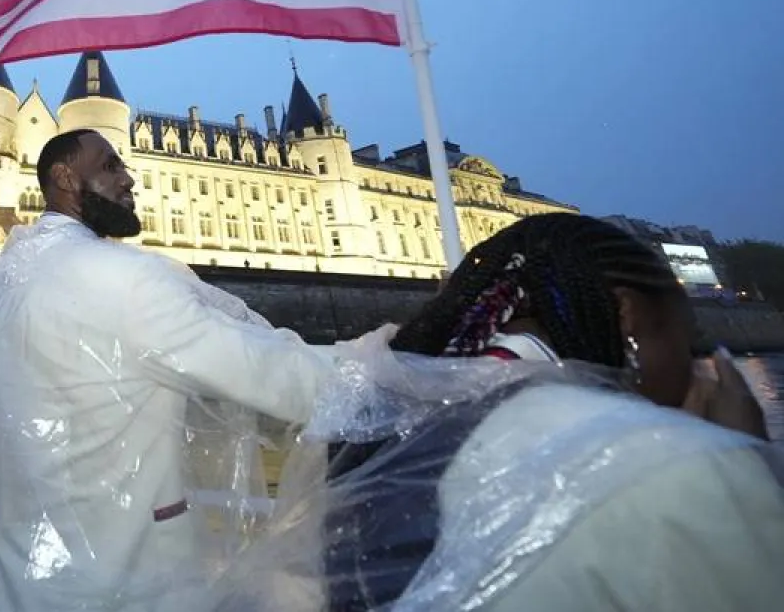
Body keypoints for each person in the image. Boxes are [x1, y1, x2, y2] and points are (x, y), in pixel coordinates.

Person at [0, 129, 389, 612]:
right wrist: (384, 364)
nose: (129, 178)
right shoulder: (124, 277)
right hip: (125, 587)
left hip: (8, 583)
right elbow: (266, 370)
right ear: (66, 178)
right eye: (111, 166)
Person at [321, 213, 782, 612]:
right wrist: (747, 460)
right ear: (627, 315)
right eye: (688, 338)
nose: (692, 364)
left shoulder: (388, 425)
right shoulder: (683, 466)